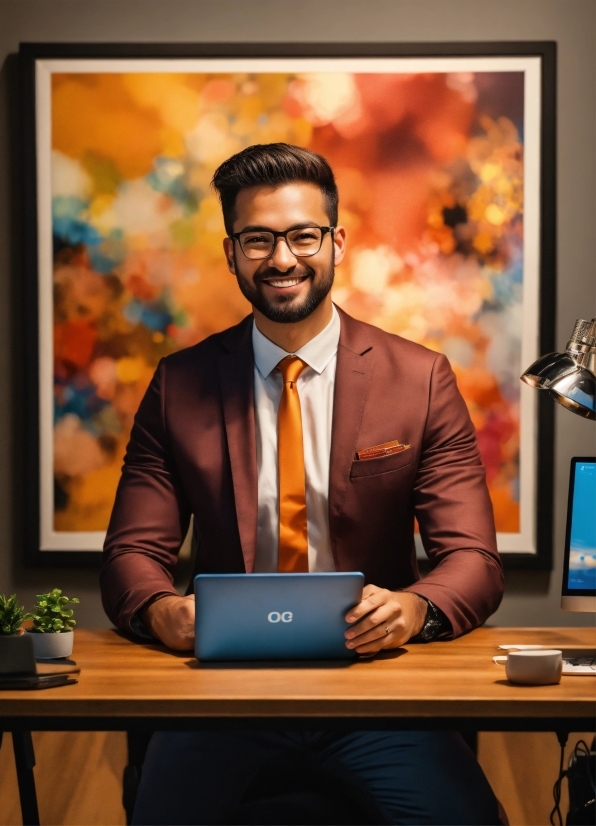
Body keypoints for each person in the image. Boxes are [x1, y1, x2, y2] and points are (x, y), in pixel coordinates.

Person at [101, 143, 505, 825]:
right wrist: (166, 613)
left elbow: (473, 560)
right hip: (223, 697)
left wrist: (413, 609)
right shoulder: (178, 386)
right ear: (231, 253)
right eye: (258, 240)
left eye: (302, 235)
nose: (282, 259)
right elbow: (131, 556)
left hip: (378, 692)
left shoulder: (421, 379)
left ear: (337, 241)